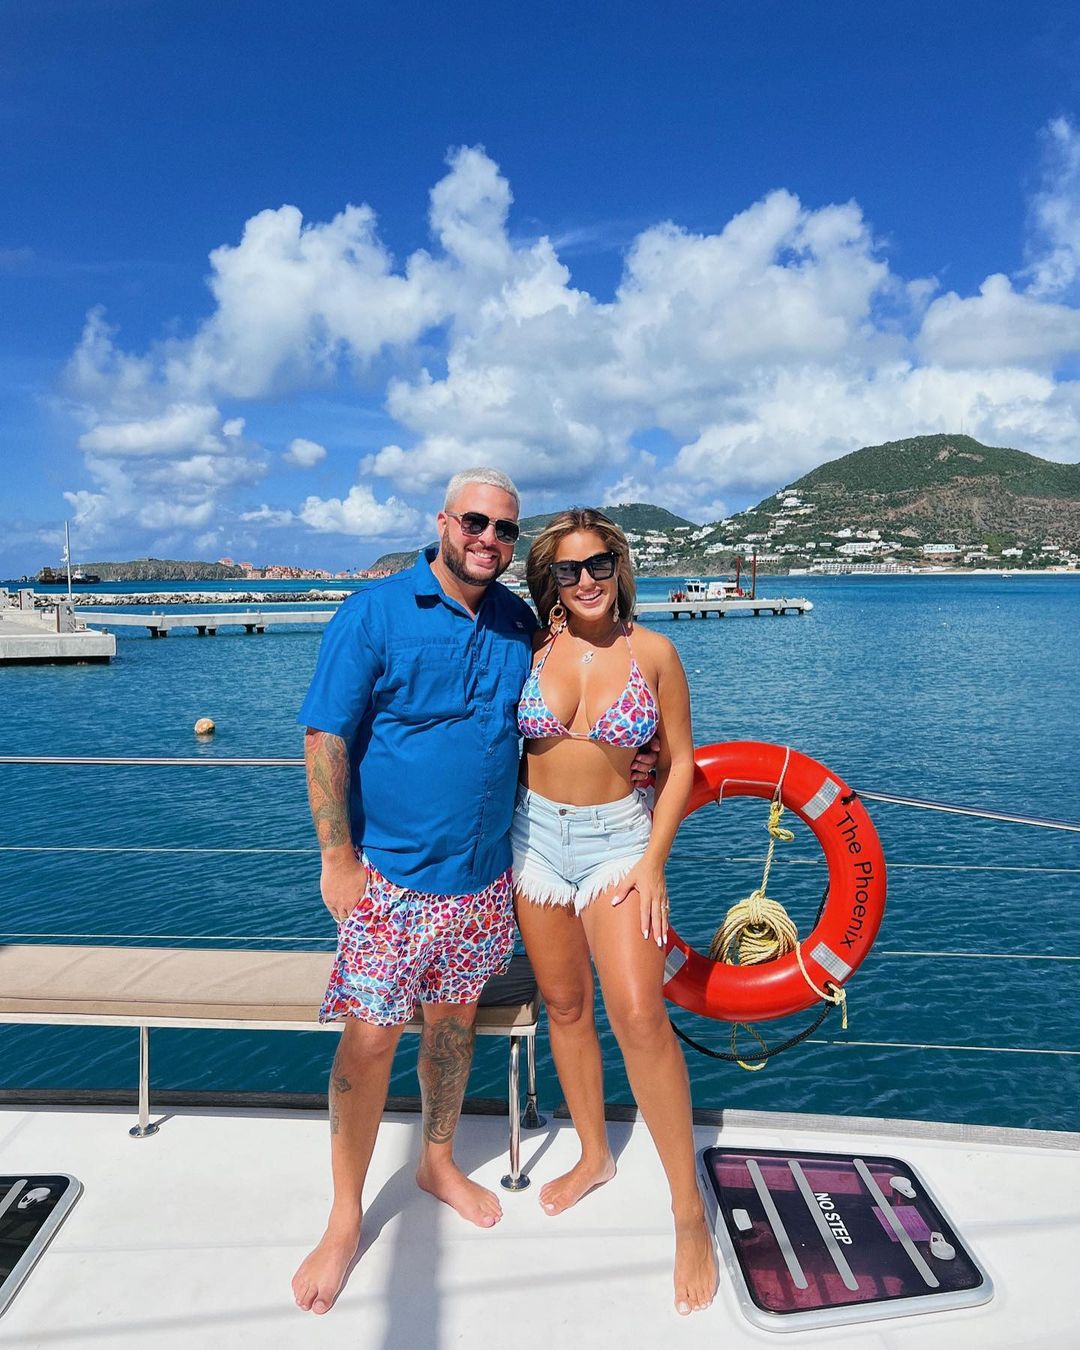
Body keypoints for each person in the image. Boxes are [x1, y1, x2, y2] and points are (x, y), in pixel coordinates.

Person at [291, 468, 535, 1315]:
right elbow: (326, 738)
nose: (489, 539)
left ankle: (435, 1163)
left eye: (505, 528)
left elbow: (557, 720)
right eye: (475, 521)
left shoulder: (517, 622)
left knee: (452, 1032)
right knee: (368, 1043)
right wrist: (336, 856)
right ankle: (345, 1216)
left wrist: (640, 759)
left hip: (481, 881)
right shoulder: (375, 613)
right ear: (443, 521)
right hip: (389, 880)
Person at [513, 508, 717, 1316]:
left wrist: (653, 860)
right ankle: (595, 1153)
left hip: (617, 846)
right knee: (565, 1007)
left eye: (598, 564)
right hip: (533, 842)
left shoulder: (653, 653)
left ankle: (687, 1210)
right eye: (568, 569)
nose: (586, 580)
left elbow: (681, 762)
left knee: (638, 1014)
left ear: (619, 566)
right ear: (551, 580)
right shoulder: (530, 648)